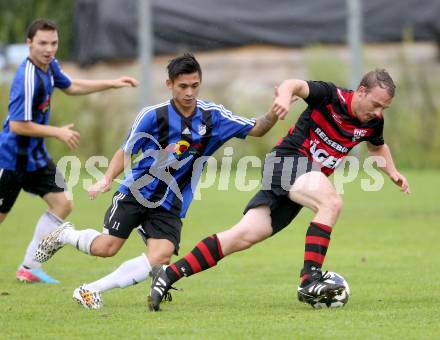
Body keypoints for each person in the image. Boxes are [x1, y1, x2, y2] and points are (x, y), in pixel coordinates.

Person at [148, 69, 411, 311]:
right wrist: (284, 98)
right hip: (287, 161)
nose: (378, 113)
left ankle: (168, 275)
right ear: (362, 91)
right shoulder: (331, 96)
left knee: (242, 236)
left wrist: (392, 171)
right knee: (330, 203)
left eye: (384, 108)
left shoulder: (373, 122)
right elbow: (293, 84)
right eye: (376, 104)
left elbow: (377, 146)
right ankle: (310, 279)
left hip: (303, 178)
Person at [34, 53, 284, 309]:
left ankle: (91, 290)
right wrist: (106, 179)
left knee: (160, 256)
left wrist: (275, 111)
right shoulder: (152, 116)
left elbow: (258, 127)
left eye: (195, 85)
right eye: (183, 86)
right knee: (107, 248)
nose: (189, 92)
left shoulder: (213, 117)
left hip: (172, 201)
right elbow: (126, 150)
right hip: (137, 191)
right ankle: (65, 234)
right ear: (170, 85)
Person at [0, 18, 139, 284]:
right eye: (42, 43)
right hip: (11, 157)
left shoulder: (49, 66)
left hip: (35, 156)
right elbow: (17, 125)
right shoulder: (26, 77)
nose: (48, 49)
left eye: (53, 43)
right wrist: (58, 132)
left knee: (63, 202)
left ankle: (29, 266)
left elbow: (71, 86)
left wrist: (111, 82)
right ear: (29, 43)